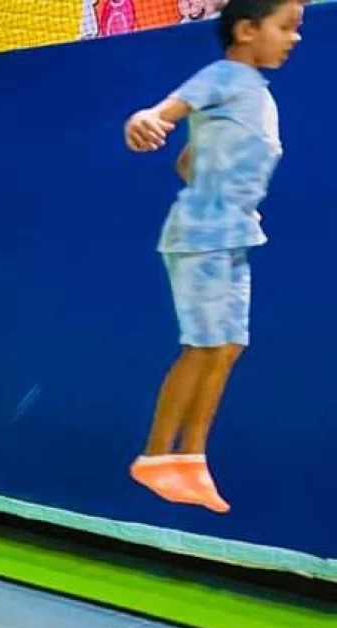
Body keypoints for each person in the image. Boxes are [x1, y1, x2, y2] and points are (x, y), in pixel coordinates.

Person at [123, 0, 303, 513]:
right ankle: (158, 456)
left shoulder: (258, 97)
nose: (294, 39)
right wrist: (146, 121)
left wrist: (221, 186)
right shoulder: (222, 76)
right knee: (204, 346)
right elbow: (162, 112)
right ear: (247, 30)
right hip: (201, 236)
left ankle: (192, 459)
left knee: (228, 347)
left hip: (235, 234)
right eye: (285, 27)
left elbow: (188, 160)